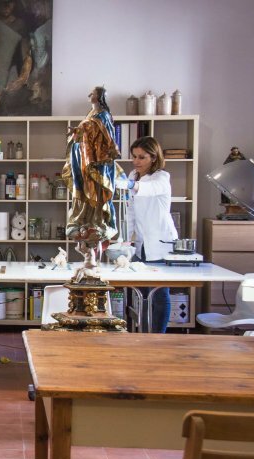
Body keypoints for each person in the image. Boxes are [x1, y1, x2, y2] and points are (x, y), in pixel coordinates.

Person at [62, 86, 124, 275]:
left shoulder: (103, 114)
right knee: (82, 195)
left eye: (93, 93)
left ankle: (94, 230)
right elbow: (86, 133)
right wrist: (79, 132)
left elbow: (103, 134)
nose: (90, 96)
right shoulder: (92, 112)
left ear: (99, 96)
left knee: (95, 193)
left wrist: (84, 128)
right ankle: (88, 248)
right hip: (84, 160)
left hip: (95, 163)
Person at [119, 136, 178, 333]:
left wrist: (127, 186)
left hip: (161, 243)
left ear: (153, 157)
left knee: (159, 294)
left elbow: (148, 190)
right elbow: (130, 211)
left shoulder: (161, 177)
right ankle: (144, 333)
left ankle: (157, 337)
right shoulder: (133, 176)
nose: (136, 162)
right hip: (142, 244)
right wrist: (126, 239)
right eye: (134, 157)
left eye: (141, 157)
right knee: (142, 293)